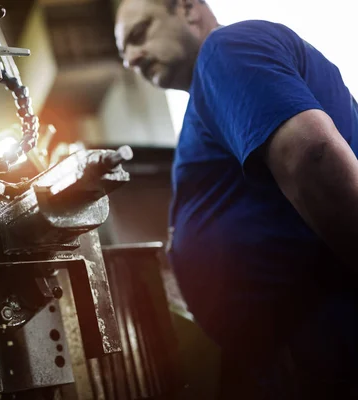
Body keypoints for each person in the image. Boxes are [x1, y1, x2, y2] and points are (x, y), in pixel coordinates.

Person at [115, 0, 358, 398]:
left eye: (139, 35)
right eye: (123, 52)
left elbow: (311, 156)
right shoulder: (212, 91)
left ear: (188, 8)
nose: (132, 59)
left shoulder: (224, 51)